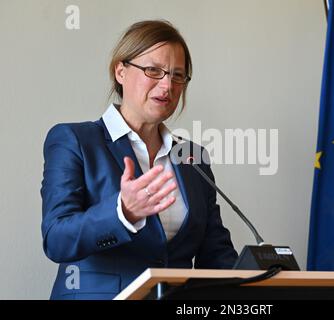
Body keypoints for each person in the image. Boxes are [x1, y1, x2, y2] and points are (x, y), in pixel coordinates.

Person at [41, 20, 238, 300]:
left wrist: (264, 275)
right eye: (153, 71)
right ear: (120, 71)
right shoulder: (74, 140)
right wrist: (123, 212)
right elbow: (57, 240)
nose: (167, 85)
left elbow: (216, 255)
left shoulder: (193, 158)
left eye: (178, 75)